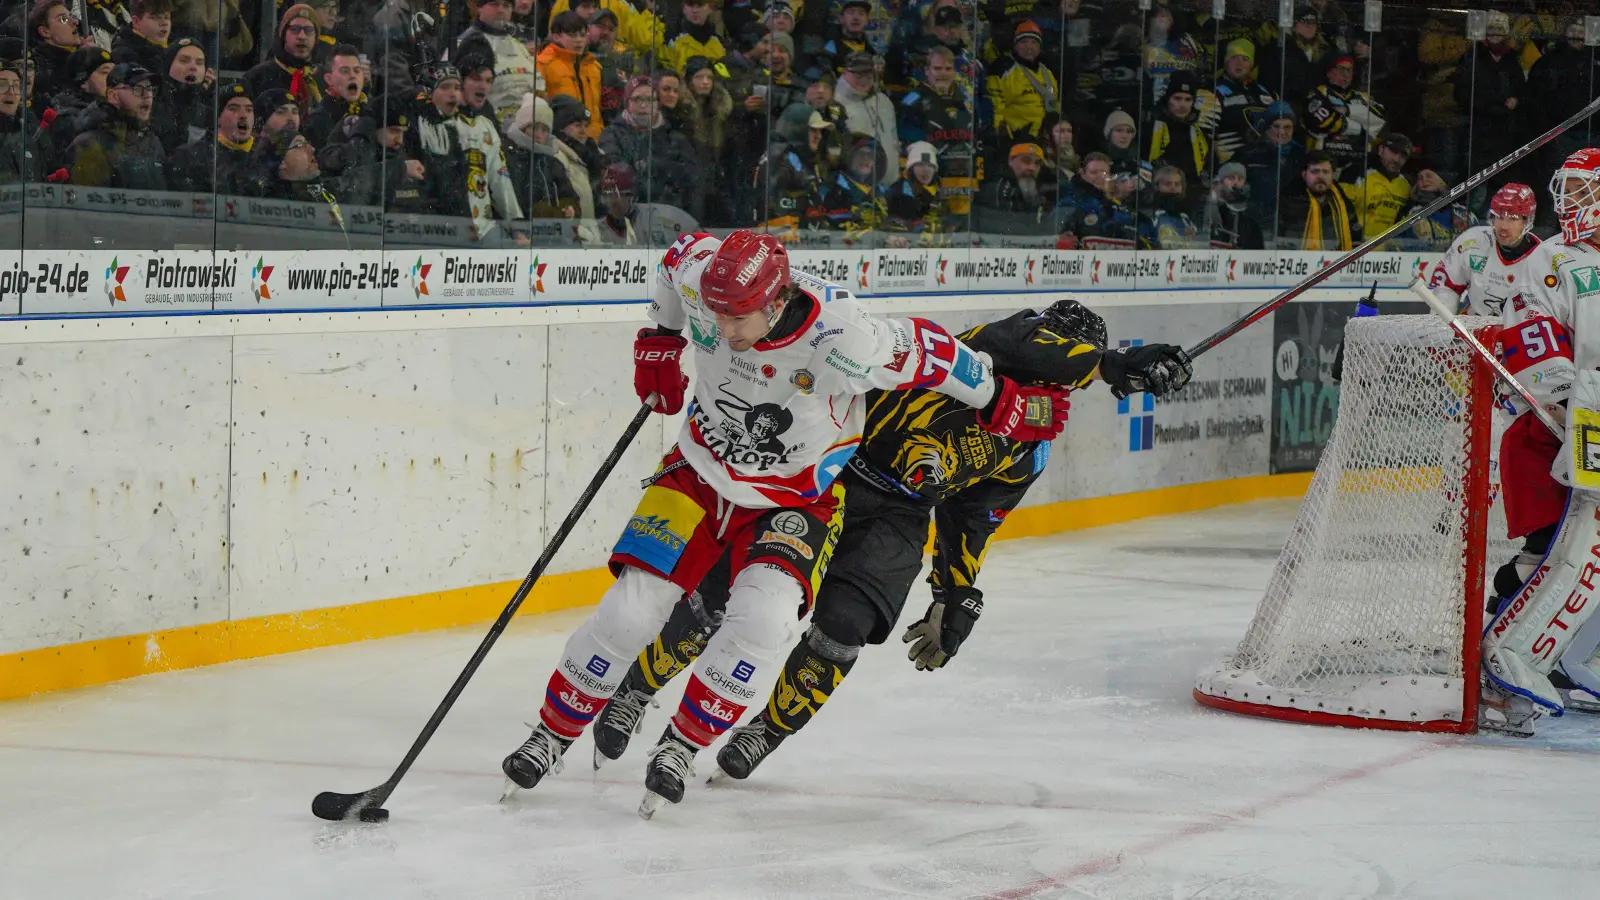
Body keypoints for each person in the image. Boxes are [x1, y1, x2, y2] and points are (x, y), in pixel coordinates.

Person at [499, 229, 1075, 817]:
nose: (723, 330)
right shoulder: (703, 277)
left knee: (764, 620)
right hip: (695, 475)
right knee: (629, 612)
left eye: (738, 318)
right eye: (716, 314)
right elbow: (675, 259)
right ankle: (550, 735)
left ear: (775, 302)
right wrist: (660, 339)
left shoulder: (847, 337)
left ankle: (681, 746)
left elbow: (936, 353)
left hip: (793, 500)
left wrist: (1001, 401)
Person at [586, 300, 1193, 782]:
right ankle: (638, 687)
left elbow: (970, 521)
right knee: (728, 593)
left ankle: (764, 730)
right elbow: (1027, 344)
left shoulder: (1029, 445)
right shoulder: (979, 354)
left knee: (846, 626)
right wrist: (1111, 363)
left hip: (900, 515)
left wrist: (954, 594)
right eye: (1061, 355)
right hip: (833, 474)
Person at [1474, 149, 1600, 736]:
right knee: (1554, 552)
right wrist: (1567, 400)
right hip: (1555, 432)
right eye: (1566, 189)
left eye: (1581, 190)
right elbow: (1534, 345)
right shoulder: (1553, 258)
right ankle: (1498, 673)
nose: (1568, 201)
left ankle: (1576, 660)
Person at [1425, 183, 1539, 318]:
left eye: (1513, 219)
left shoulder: (1542, 260)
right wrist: (1443, 326)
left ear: (1527, 222)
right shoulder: (1473, 242)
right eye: (1499, 216)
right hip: (1474, 326)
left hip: (1520, 330)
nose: (1503, 226)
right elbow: (1446, 287)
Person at [65, 62, 166, 188]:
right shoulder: (89, 144)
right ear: (113, 96)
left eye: (150, 88)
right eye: (137, 88)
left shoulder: (153, 142)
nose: (147, 95)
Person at [456, 0, 541, 128]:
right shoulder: (466, 44)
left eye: (506, 5)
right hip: (488, 127)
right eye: (494, 4)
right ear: (479, 8)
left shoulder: (520, 47)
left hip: (530, 127)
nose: (500, 10)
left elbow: (539, 88)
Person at [1302, 53, 1385, 181]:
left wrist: (1347, 110)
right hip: (1323, 165)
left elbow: (1379, 120)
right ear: (1329, 72)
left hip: (1359, 168)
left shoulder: (1363, 97)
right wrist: (1363, 129)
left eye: (1349, 70)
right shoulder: (1318, 93)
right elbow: (1325, 123)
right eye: (1341, 69)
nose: (1346, 74)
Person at [167, 81, 252, 192]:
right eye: (233, 109)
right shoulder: (186, 157)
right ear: (218, 117)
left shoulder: (259, 159)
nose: (244, 115)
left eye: (249, 109)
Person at [986, 19, 1056, 148]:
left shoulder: (1047, 72)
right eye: (1024, 42)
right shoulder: (1002, 69)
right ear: (1015, 45)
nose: (1029, 47)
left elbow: (1054, 105)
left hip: (1044, 138)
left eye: (1034, 42)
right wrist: (1002, 134)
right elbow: (995, 107)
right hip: (1014, 139)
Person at [833, 51, 897, 187]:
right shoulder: (834, 103)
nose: (864, 80)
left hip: (888, 186)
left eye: (869, 76)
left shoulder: (884, 102)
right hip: (853, 187)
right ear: (845, 72)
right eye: (858, 75)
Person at [536, 10, 602, 140]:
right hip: (561, 139)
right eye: (572, 35)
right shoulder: (543, 64)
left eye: (582, 35)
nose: (579, 40)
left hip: (594, 139)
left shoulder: (593, 66)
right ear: (556, 36)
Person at [1277, 151, 1360, 251]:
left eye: (1326, 172)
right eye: (1315, 171)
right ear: (1304, 174)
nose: (1321, 176)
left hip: (1336, 258)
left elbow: (1355, 234)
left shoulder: (1341, 200)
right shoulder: (1289, 200)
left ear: (1332, 175)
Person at [243, 4, 321, 109]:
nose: (302, 36)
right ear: (283, 35)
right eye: (295, 29)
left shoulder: (324, 78)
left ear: (316, 38)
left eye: (309, 30)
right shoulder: (257, 77)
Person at [1210, 38, 1276, 163]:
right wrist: (1211, 151)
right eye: (1234, 57)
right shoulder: (1212, 89)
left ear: (1251, 66)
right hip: (1230, 162)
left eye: (1245, 59)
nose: (1239, 63)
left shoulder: (1263, 91)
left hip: (1263, 158)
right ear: (1226, 62)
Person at [149, 37, 211, 156]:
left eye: (199, 63)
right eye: (184, 60)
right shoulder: (150, 104)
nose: (193, 67)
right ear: (168, 66)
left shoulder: (209, 110)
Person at [301, 45, 366, 151]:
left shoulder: (370, 112)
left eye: (357, 70)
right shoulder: (317, 121)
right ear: (329, 79)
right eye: (345, 71)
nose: (353, 76)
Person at [1202, 160, 1264, 250]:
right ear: (1221, 181)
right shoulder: (1211, 207)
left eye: (1240, 178)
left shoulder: (1252, 215)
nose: (1236, 182)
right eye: (1231, 178)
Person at [110, 0, 172, 76]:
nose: (164, 23)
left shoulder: (172, 49)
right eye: (155, 17)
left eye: (167, 17)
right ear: (136, 21)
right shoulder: (124, 55)